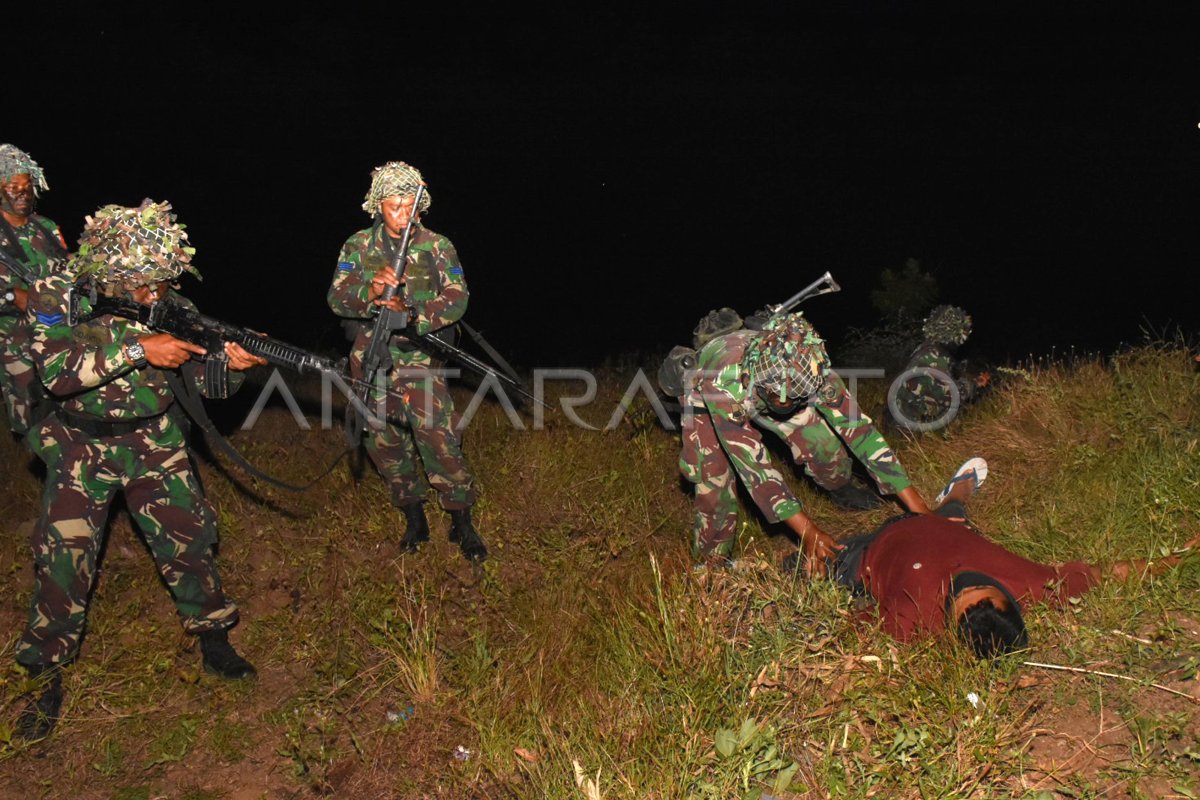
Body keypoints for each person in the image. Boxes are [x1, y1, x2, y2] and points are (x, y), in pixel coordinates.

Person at [14, 200, 265, 741]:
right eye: (142, 284)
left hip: (156, 439)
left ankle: (213, 636)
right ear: (112, 273)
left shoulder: (171, 303)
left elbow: (203, 385)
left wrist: (230, 365)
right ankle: (44, 673)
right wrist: (138, 348)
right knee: (63, 561)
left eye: (161, 281)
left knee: (190, 539)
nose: (155, 294)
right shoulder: (60, 296)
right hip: (82, 445)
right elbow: (57, 372)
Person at [786, 458, 1196, 658]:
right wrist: (1177, 559)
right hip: (944, 527)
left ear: (949, 622)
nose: (965, 582)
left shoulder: (911, 620)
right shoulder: (1040, 587)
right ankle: (957, 493)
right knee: (955, 513)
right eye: (982, 584)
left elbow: (851, 633)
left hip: (871, 553)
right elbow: (1113, 573)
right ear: (1011, 600)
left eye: (958, 595)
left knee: (797, 571)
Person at [679, 312, 931, 568]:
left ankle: (841, 490)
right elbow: (755, 470)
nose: (786, 403)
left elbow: (860, 431)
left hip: (770, 389)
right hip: (715, 392)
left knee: (824, 446)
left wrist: (919, 508)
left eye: (794, 396)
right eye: (780, 396)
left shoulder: (812, 370)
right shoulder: (722, 384)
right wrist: (809, 533)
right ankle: (712, 564)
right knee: (714, 479)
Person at [328, 161, 486, 562]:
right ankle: (413, 515)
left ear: (421, 207)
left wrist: (412, 313)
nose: (400, 215)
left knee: (438, 436)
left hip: (420, 359)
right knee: (383, 439)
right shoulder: (357, 245)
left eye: (408, 206)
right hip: (370, 359)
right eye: (392, 206)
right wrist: (371, 291)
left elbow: (457, 298)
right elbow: (336, 297)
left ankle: (460, 518)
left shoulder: (437, 246)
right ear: (377, 206)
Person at [0, 144, 69, 437]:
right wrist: (13, 296)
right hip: (16, 341)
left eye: (27, 185)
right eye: (12, 185)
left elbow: (69, 271)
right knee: (32, 420)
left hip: (60, 333)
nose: (22, 192)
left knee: (68, 408)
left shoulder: (46, 227)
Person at [890, 304, 989, 430]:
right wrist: (975, 384)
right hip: (911, 427)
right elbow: (952, 396)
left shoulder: (927, 348)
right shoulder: (935, 355)